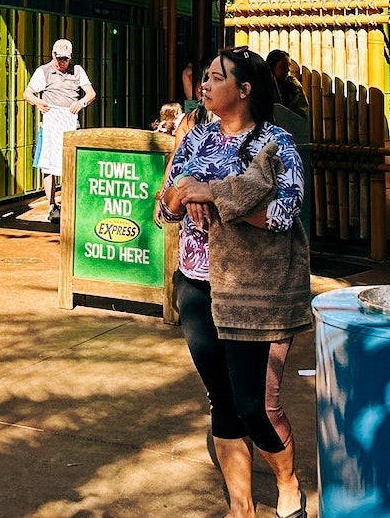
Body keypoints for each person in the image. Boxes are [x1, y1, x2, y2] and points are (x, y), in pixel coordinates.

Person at [158, 48, 308, 518]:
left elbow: (284, 215)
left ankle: (287, 483)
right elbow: (163, 209)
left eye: (216, 77)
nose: (204, 84)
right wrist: (182, 197)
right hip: (197, 284)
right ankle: (241, 508)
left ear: (244, 90)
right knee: (221, 400)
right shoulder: (195, 138)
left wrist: (214, 194)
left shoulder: (277, 143)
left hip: (255, 293)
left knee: (256, 406)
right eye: (204, 77)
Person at [24, 38, 96, 221]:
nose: (63, 63)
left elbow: (91, 93)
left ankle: (71, 201)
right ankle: (52, 205)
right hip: (50, 122)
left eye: (66, 59)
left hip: (70, 121)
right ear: (53, 54)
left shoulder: (77, 71)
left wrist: (81, 103)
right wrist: (38, 102)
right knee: (48, 165)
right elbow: (27, 94)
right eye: (60, 59)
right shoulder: (44, 71)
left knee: (72, 163)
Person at [266, 50, 310, 119]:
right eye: (283, 66)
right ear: (272, 66)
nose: (288, 70)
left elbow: (302, 114)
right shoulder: (262, 85)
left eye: (289, 66)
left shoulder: (293, 86)